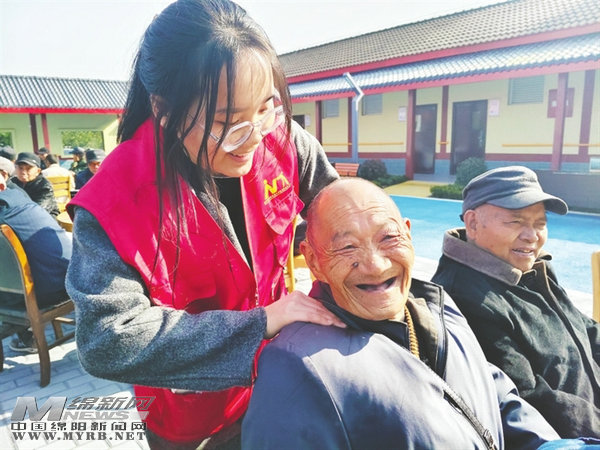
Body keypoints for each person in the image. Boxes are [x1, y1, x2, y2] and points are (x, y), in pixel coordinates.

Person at [65, 0, 341, 448]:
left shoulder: (284, 141)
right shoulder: (115, 201)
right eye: (228, 122)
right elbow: (106, 342)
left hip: (279, 379)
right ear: (163, 109)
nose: (254, 139)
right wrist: (262, 323)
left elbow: (339, 213)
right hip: (187, 417)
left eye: (266, 107)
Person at [242, 178, 561, 449]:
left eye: (388, 238)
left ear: (408, 234)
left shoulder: (435, 302)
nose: (376, 266)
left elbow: (487, 388)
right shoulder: (297, 367)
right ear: (313, 261)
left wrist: (550, 444)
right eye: (347, 247)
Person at [432, 166, 600, 438]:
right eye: (516, 222)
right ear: (472, 224)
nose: (532, 236)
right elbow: (530, 399)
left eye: (540, 224)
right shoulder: (466, 298)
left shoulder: (533, 268)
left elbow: (586, 329)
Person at [0, 168, 72, 353]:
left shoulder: (3, 211)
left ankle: (28, 338)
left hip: (49, 292)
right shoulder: (19, 196)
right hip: (69, 277)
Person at [10, 152, 60, 218]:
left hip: (44, 218)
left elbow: (37, 211)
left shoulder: (44, 185)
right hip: (17, 218)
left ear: (38, 171)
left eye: (28, 168)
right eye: (20, 168)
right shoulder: (11, 183)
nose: (23, 172)